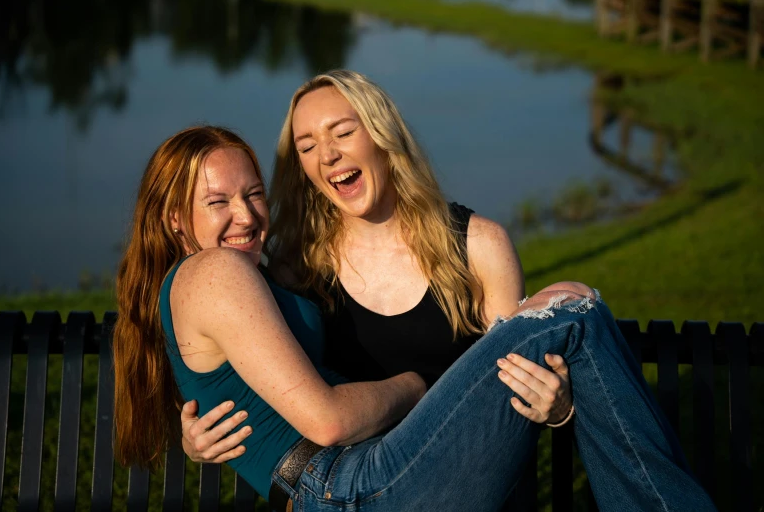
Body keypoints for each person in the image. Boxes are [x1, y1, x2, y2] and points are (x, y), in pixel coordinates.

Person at [113, 126, 715, 512]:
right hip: (345, 485)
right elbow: (324, 422)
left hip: (355, 480)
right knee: (572, 309)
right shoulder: (214, 272)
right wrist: (417, 384)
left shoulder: (237, 276)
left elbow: (228, 381)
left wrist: (196, 439)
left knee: (564, 305)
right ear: (174, 219)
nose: (244, 215)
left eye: (254, 193)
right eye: (217, 202)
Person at [179, 70, 575, 468]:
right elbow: (248, 368)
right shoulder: (294, 269)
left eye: (343, 132)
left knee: (580, 301)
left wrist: (557, 408)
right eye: (307, 146)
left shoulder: (478, 247)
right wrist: (195, 439)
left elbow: (513, 396)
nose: (327, 154)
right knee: (580, 298)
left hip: (474, 478)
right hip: (362, 493)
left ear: (383, 135)